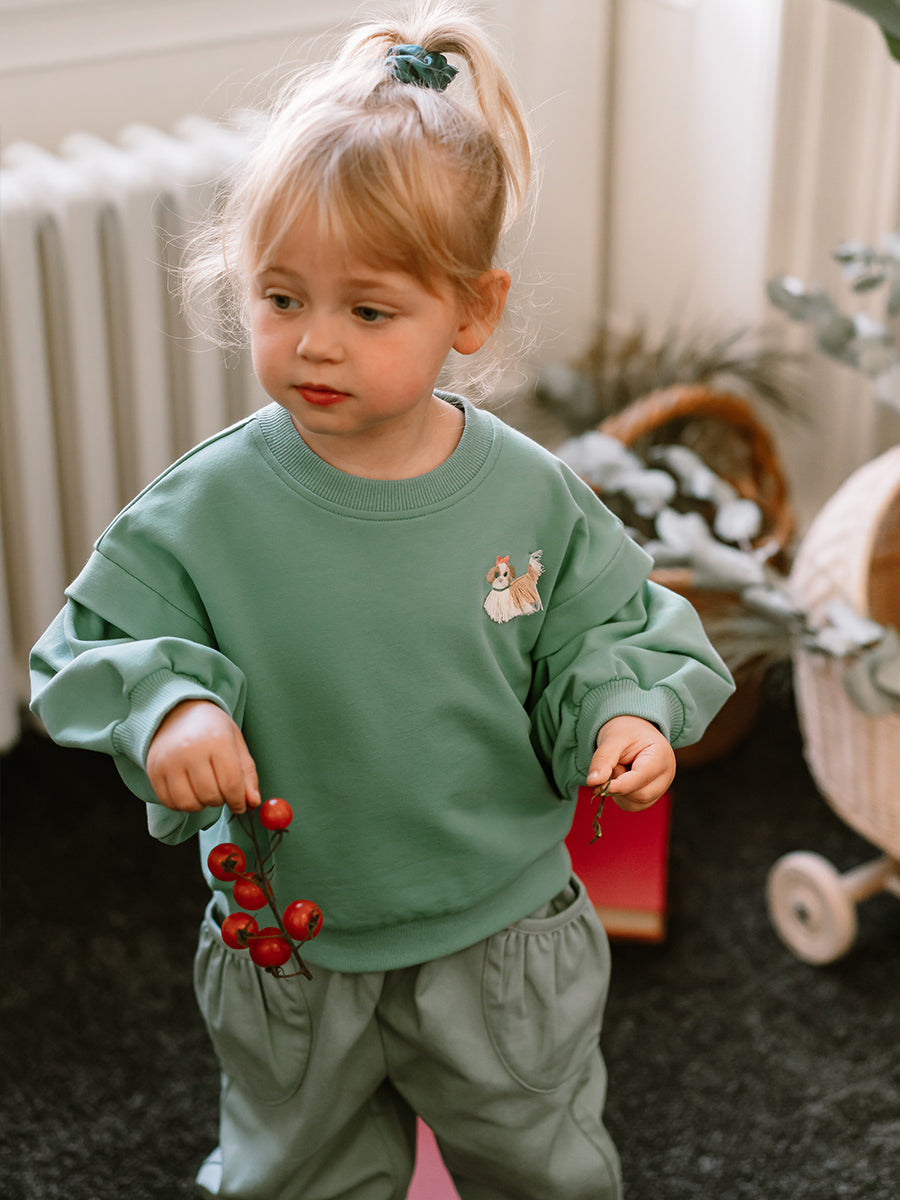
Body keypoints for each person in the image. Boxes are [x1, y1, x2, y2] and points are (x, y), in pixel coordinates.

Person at [29, 3, 734, 1196]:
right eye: (281, 299)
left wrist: (626, 712)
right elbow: (89, 647)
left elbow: (609, 631)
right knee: (295, 1170)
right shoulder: (205, 509)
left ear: (473, 310)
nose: (316, 344)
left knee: (540, 1162)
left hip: (501, 934)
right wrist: (169, 709)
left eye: (367, 311)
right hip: (291, 943)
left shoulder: (531, 496)